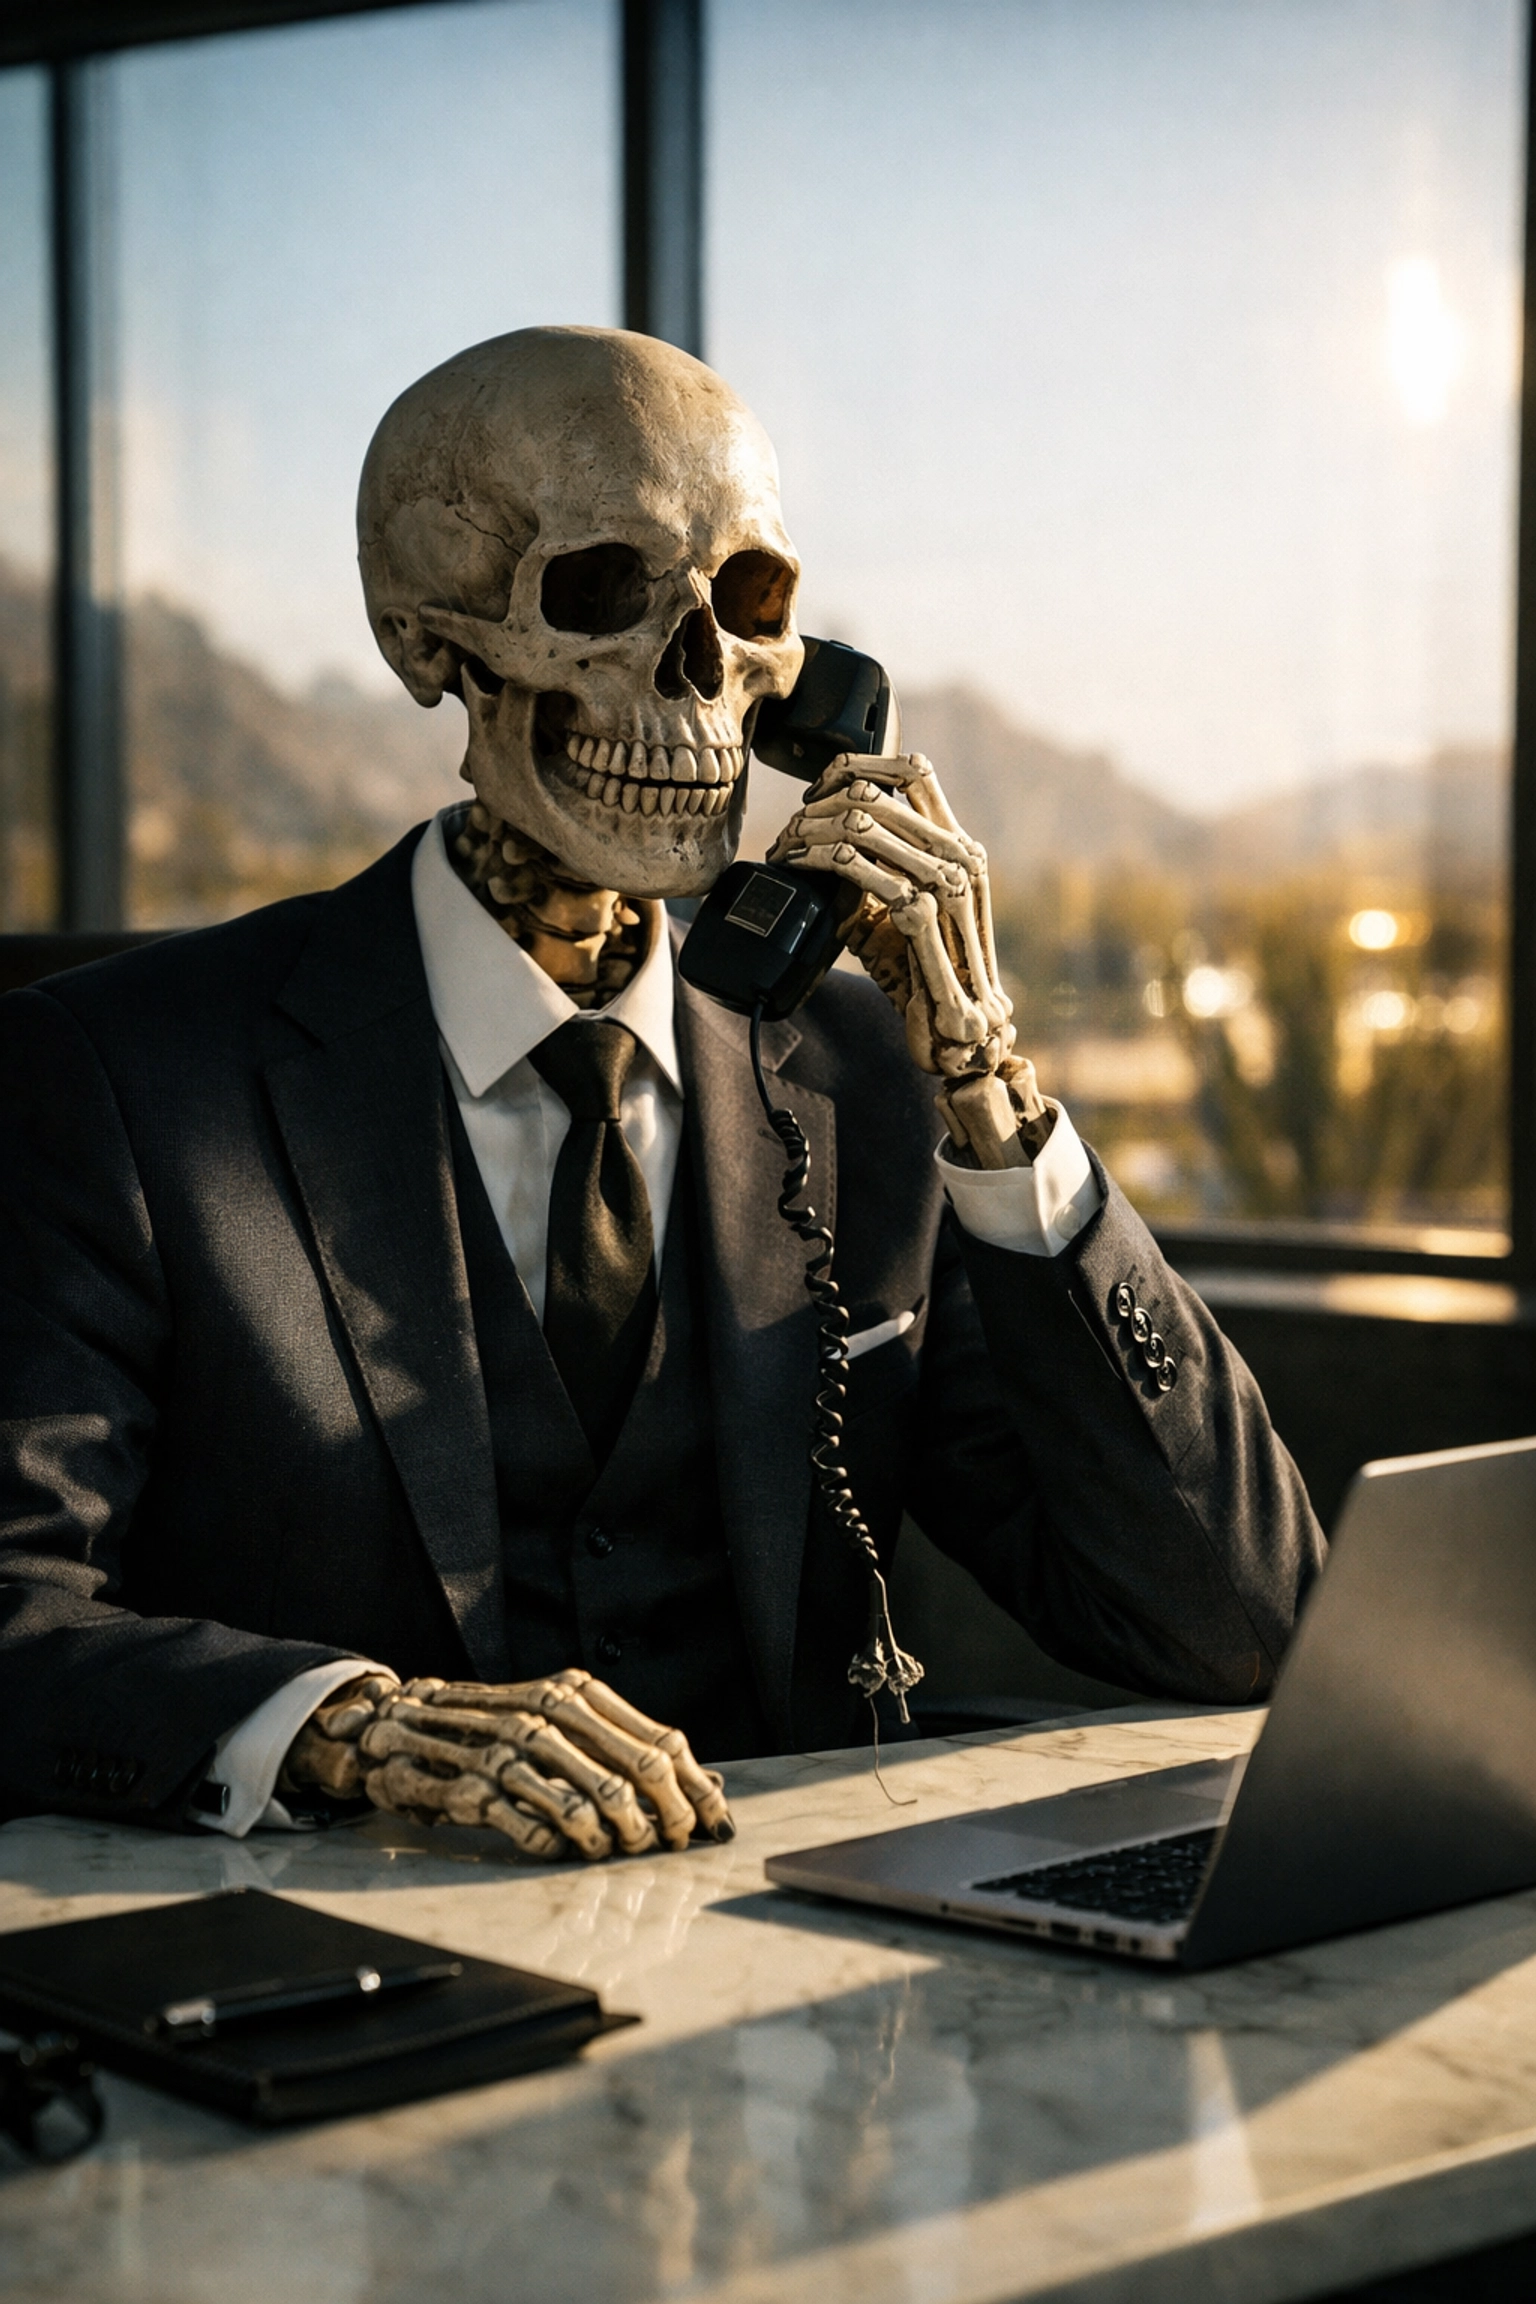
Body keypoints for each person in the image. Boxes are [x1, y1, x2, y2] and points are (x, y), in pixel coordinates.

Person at [0, 329, 1323, 1860]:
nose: (698, 685)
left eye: (749, 612)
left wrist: (988, 1083)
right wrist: (355, 1728)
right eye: (603, 597)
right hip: (360, 1979)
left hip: (795, 1999)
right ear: (431, 638)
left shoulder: (866, 1088)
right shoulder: (119, 1076)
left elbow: (1236, 1623)